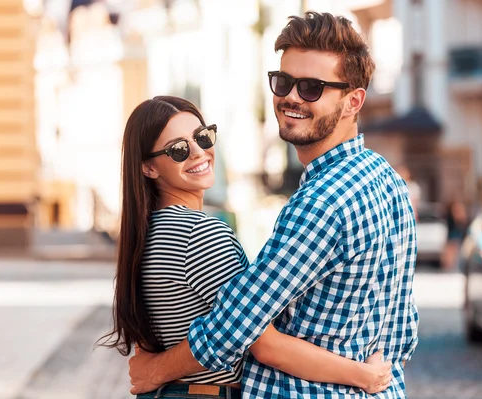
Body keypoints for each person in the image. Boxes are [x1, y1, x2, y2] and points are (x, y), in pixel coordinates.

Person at [129, 12, 419, 399]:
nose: (291, 97)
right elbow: (404, 329)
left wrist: (154, 372)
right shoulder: (389, 180)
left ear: (353, 101)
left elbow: (236, 326)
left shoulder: (323, 201)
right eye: (284, 82)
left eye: (312, 87)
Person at [99, 95, 393, 399]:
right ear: (149, 168)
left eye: (202, 136)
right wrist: (363, 375)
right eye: (178, 149)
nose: (199, 152)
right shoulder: (198, 233)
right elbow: (264, 345)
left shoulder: (150, 233)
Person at [442, 199, 469, 270]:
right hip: (453, 234)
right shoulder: (450, 219)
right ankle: (449, 265)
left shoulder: (458, 216)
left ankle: (452, 265)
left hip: (456, 234)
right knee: (452, 249)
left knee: (454, 249)